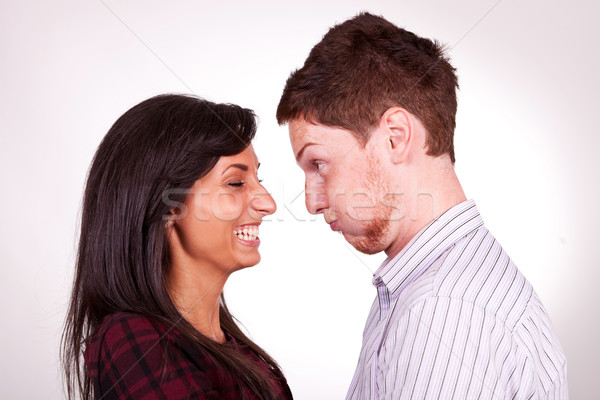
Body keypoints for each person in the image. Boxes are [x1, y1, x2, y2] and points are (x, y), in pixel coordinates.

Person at [277, 12, 568, 399]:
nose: (312, 201)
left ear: (395, 138)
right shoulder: (429, 288)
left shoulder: (445, 310)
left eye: (318, 164)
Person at [61, 94, 293, 400]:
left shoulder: (238, 352)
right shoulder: (135, 341)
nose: (268, 203)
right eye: (235, 183)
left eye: (257, 178)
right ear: (169, 206)